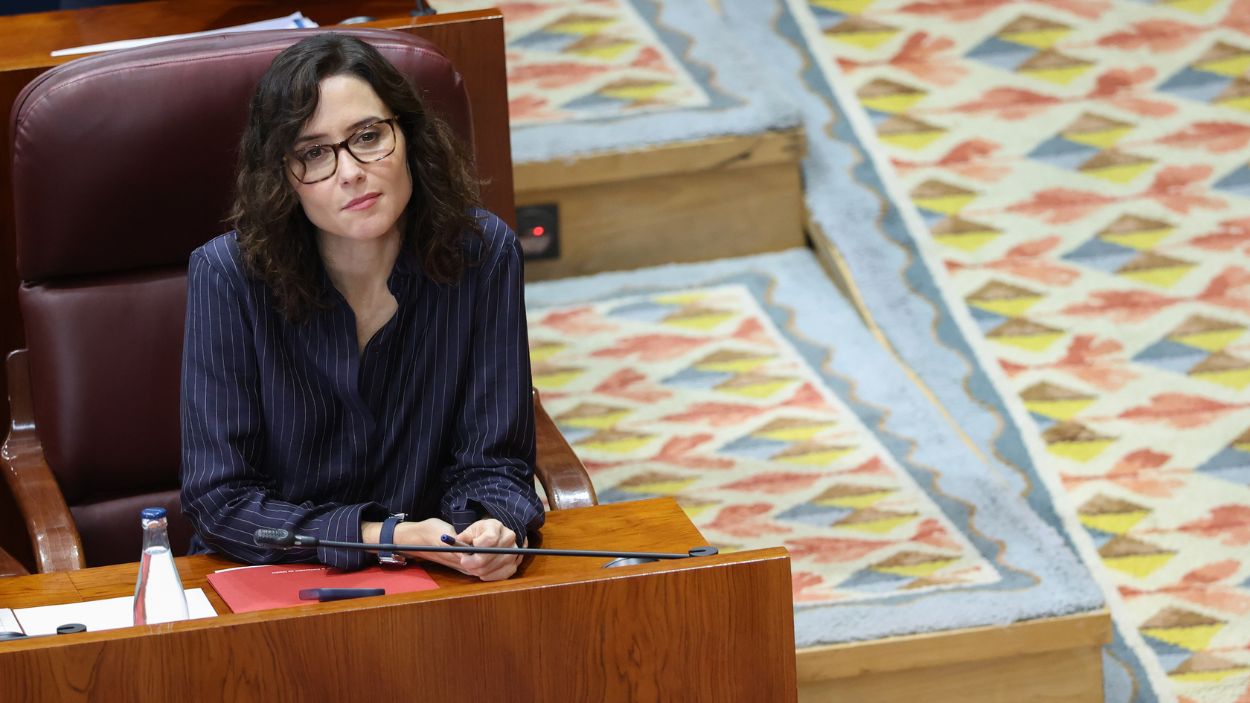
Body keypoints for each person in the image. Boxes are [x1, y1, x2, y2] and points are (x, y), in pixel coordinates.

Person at [180, 33, 542, 582]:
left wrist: (491, 528)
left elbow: (497, 462)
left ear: (409, 136)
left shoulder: (483, 254)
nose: (350, 172)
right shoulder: (228, 275)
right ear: (282, 176)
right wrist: (386, 537)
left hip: (437, 577)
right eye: (314, 153)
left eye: (368, 137)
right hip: (277, 581)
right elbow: (221, 503)